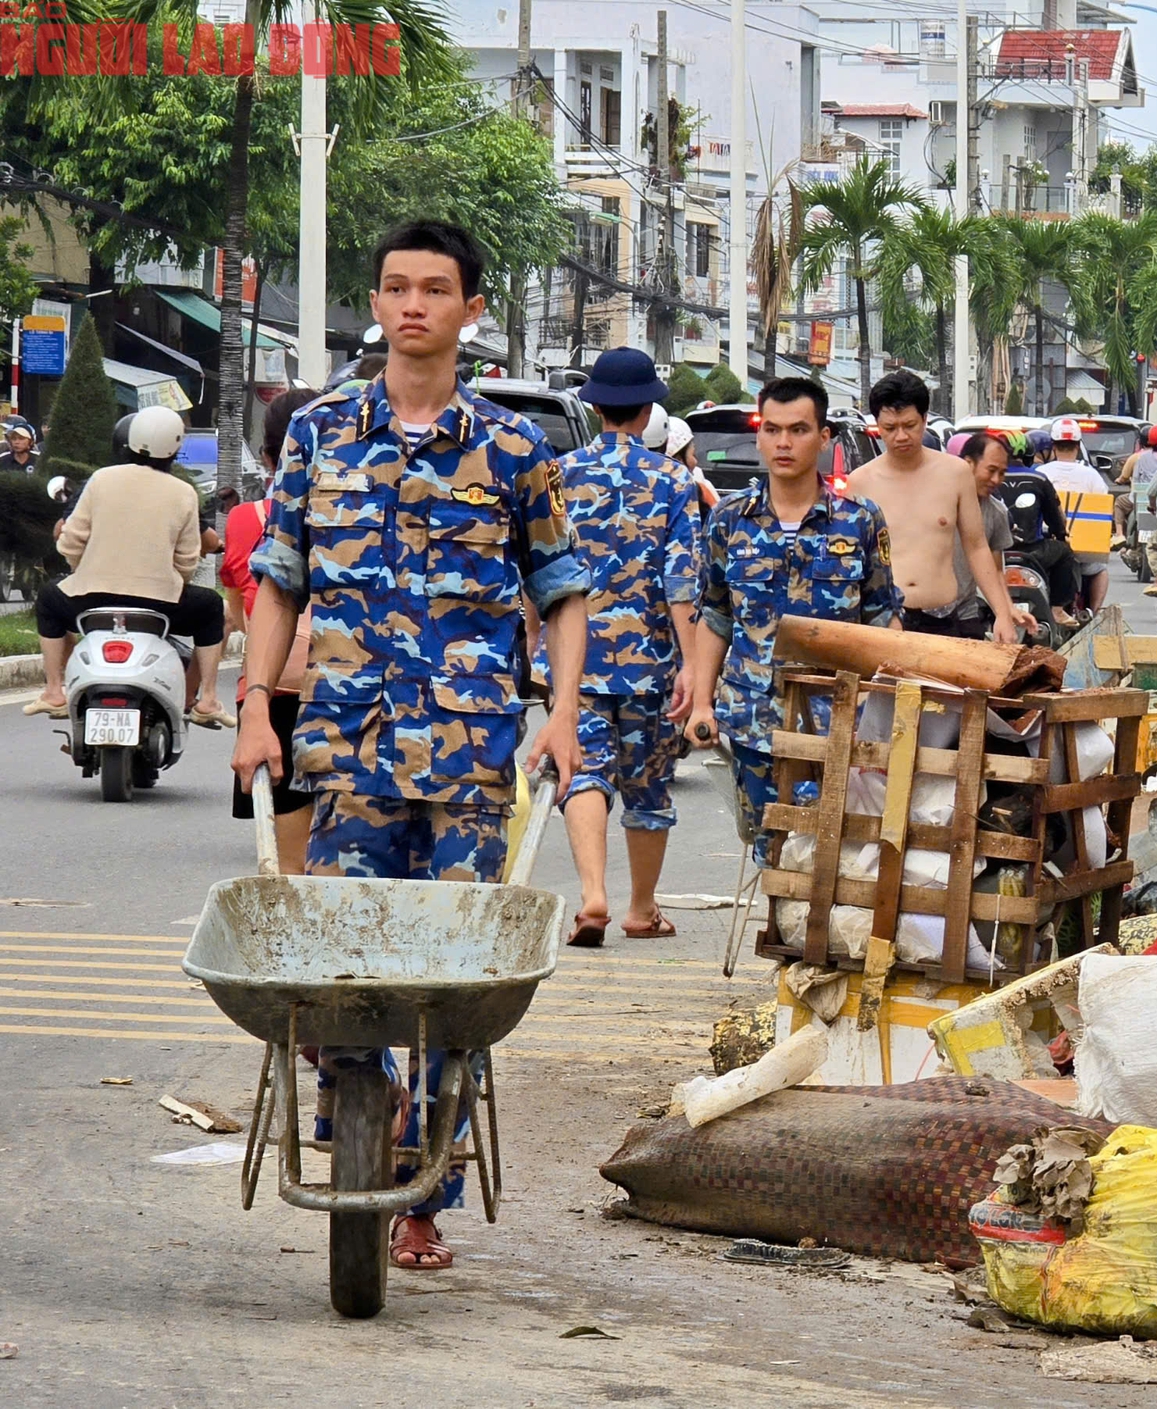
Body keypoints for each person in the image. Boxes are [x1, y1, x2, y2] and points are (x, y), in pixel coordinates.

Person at [232, 219, 591, 1274]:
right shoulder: (320, 433)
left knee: (454, 981)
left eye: (435, 288)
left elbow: (563, 593)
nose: (412, 305)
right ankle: (365, 1105)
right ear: (379, 302)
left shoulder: (515, 450)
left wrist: (564, 712)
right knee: (341, 969)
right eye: (395, 287)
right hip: (347, 750)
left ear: (471, 309)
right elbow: (279, 581)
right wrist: (254, 703)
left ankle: (425, 1193)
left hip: (472, 760)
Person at [680, 377, 900, 865]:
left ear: (823, 438)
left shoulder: (859, 520)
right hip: (753, 720)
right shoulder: (729, 520)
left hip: (840, 720)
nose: (784, 443)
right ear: (759, 437)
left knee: (837, 855)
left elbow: (883, 618)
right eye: (772, 429)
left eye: (798, 430)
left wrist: (889, 712)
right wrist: (702, 704)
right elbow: (715, 615)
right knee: (771, 851)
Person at [543, 348, 702, 948]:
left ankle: (592, 895)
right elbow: (682, 580)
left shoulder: (560, 473)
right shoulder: (674, 481)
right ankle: (640, 908)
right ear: (647, 410)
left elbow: (541, 570)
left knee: (583, 771)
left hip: (575, 662)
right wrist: (692, 665)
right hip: (652, 664)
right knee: (649, 788)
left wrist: (532, 643)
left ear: (595, 408)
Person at [25, 405, 232, 725]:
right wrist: (169, 579)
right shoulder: (184, 493)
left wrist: (85, 570)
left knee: (49, 599)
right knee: (212, 607)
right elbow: (187, 560)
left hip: (88, 599)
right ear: (175, 447)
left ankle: (54, 690)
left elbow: (69, 541)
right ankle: (207, 699)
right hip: (161, 605)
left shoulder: (100, 479)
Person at [220, 386, 321, 874]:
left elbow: (242, 608)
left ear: (267, 456)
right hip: (342, 683)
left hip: (272, 684)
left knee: (290, 869)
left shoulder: (246, 518)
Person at [842, 370, 1014, 642]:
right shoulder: (860, 482)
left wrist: (1002, 613)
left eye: (909, 425)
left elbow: (977, 546)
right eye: (890, 428)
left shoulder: (955, 473)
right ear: (878, 426)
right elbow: (850, 560)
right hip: (884, 621)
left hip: (942, 618)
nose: (901, 436)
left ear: (924, 419)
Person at [956, 432, 1037, 637]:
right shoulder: (937, 501)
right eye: (991, 470)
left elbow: (996, 570)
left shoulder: (996, 512)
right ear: (968, 464)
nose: (996, 480)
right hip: (922, 615)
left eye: (1001, 473)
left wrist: (1007, 611)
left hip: (964, 614)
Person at [1037, 416, 1114, 613]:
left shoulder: (1041, 473)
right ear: (1078, 446)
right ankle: (1093, 613)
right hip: (1082, 547)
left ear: (1054, 446)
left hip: (1047, 543)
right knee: (1100, 570)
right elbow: (1103, 507)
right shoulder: (1091, 475)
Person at [1001, 451, 1081, 625]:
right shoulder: (1039, 479)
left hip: (993, 551)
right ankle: (1057, 610)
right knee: (1065, 552)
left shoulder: (983, 479)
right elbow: (1055, 519)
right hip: (1032, 551)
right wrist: (1060, 534)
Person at [1114, 423, 1157, 542]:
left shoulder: (1140, 457)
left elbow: (1136, 480)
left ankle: (1119, 535)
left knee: (1120, 502)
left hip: (1142, 500)